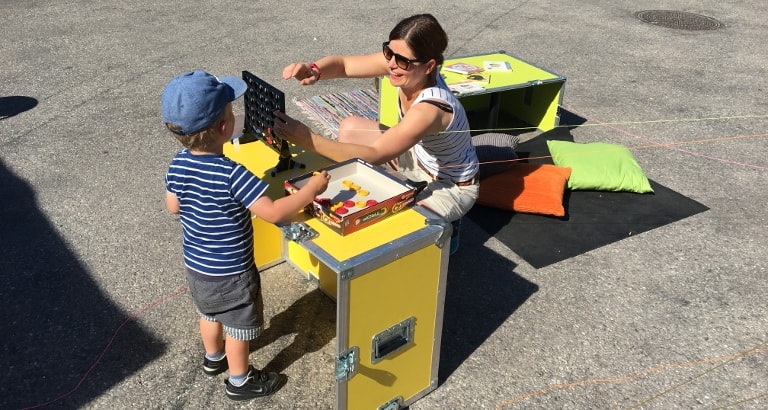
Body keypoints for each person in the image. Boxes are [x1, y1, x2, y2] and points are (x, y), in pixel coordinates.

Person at [161, 70, 329, 401]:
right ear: (225, 127)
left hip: (197, 267)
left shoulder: (178, 164)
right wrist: (312, 188)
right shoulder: (233, 174)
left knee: (209, 314)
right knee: (238, 328)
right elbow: (274, 213)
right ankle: (240, 380)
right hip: (232, 273)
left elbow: (173, 206)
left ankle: (213, 358)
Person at [273, 13, 478, 253]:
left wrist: (307, 139)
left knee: (394, 222)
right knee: (349, 129)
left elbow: (374, 154)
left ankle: (448, 224)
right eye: (388, 53)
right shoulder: (406, 66)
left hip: (450, 185)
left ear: (429, 66)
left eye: (401, 60)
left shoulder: (430, 109)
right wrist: (314, 69)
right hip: (418, 156)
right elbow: (344, 65)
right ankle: (407, 188)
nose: (391, 64)